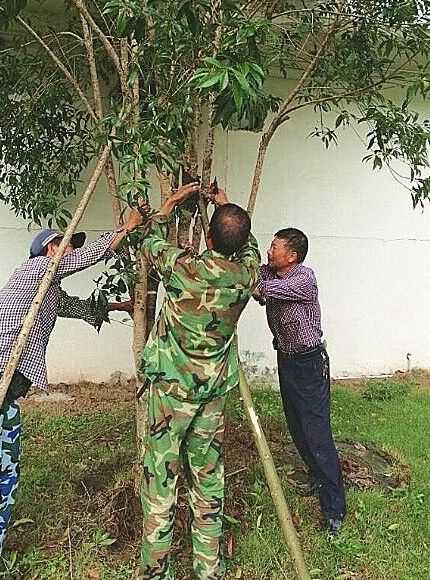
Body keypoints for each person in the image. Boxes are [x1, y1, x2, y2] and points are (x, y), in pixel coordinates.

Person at [0, 210, 143, 580]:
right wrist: (125, 229)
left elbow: (80, 308)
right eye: (61, 245)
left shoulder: (50, 292)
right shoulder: (30, 273)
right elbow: (82, 259)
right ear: (46, 251)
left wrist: (121, 307)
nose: (67, 251)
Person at [137, 182, 260, 580]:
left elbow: (149, 239)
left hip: (171, 394)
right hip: (212, 396)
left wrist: (170, 203)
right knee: (208, 478)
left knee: (160, 481)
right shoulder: (245, 275)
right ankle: (209, 569)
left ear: (206, 235)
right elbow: (250, 248)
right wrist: (228, 207)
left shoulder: (183, 268)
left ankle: (157, 572)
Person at [253, 227, 346, 534]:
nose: (269, 251)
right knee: (296, 426)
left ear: (291, 256)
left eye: (275, 247)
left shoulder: (303, 279)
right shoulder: (274, 275)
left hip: (309, 363)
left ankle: (334, 508)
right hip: (287, 360)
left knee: (317, 434)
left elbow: (258, 288)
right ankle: (316, 477)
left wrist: (245, 279)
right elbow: (255, 270)